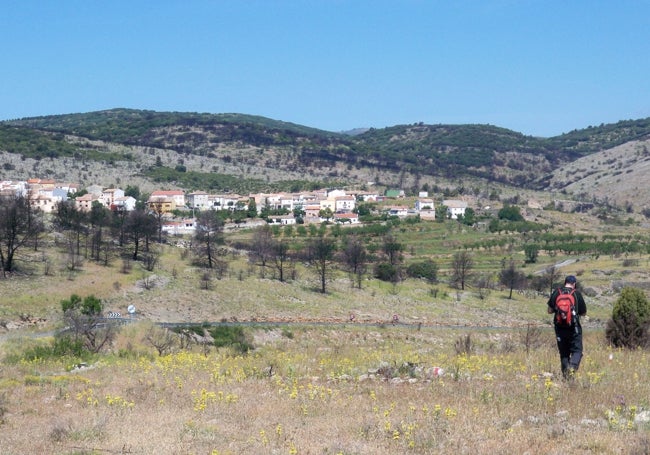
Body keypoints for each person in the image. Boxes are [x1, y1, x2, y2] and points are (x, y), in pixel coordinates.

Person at [547, 275, 587, 379]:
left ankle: (566, 377)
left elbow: (549, 311)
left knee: (564, 353)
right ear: (574, 284)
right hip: (574, 328)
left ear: (565, 282)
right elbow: (583, 312)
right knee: (577, 351)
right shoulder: (576, 294)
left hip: (559, 327)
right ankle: (572, 368)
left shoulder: (557, 292)